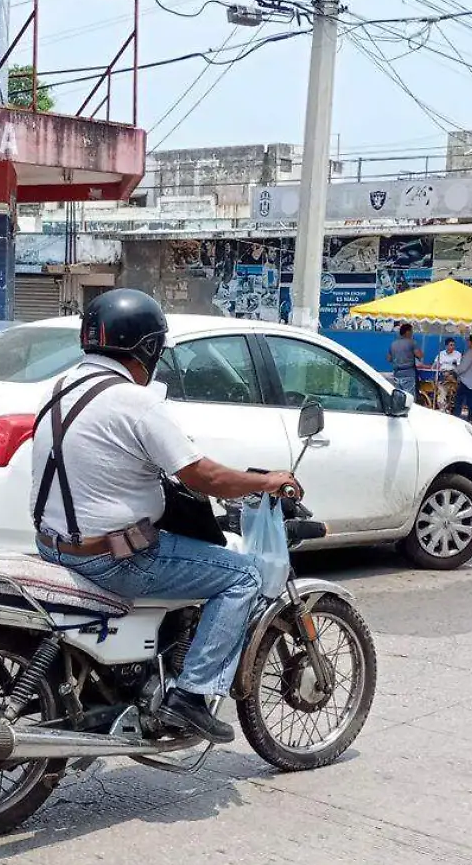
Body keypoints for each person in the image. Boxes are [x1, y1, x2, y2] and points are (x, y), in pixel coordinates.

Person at [30, 289, 302, 744]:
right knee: (244, 577)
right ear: (149, 348)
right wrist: (267, 481)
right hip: (114, 558)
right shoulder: (135, 401)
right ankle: (191, 698)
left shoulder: (61, 388)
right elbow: (203, 476)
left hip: (54, 546)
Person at [388, 322, 424, 398]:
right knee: (409, 398)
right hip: (408, 374)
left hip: (396, 374)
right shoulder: (412, 342)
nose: (412, 333)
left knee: (399, 398)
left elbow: (389, 359)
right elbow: (419, 355)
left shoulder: (393, 344)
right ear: (407, 332)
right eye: (411, 331)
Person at [434, 337, 462, 411]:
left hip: (453, 374)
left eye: (453, 345)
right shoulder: (441, 354)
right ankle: (442, 407)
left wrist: (455, 364)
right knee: (441, 391)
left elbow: (459, 367)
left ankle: (448, 406)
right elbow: (436, 364)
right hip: (443, 374)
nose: (452, 347)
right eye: (451, 345)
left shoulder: (457, 354)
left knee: (449, 375)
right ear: (446, 346)